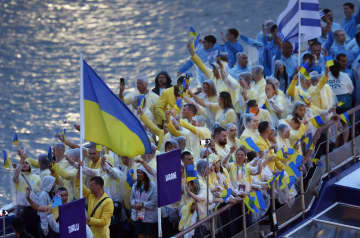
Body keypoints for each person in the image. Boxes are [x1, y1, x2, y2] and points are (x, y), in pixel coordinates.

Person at [13, 150, 42, 238]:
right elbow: (16, 175)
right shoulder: (19, 177)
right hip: (23, 210)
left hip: (34, 209)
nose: (25, 165)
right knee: (25, 234)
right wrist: (22, 159)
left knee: (35, 232)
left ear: (30, 165)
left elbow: (40, 193)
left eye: (27, 163)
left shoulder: (36, 177)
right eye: (23, 164)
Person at [130, 166, 158, 238]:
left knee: (149, 236)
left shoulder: (153, 186)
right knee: (140, 235)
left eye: (140, 172)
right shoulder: (135, 185)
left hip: (149, 217)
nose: (138, 174)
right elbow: (132, 198)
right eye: (137, 172)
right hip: (138, 216)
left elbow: (154, 202)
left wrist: (143, 204)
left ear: (146, 174)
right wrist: (134, 204)